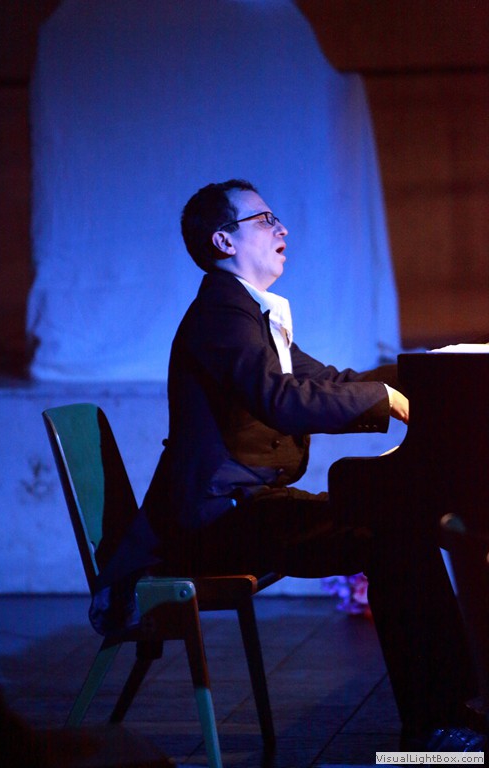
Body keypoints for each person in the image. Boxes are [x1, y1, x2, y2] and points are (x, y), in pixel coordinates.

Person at [140, 179, 483, 751]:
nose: (282, 228)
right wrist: (388, 400)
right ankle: (437, 729)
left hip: (244, 509)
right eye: (264, 219)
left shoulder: (246, 313)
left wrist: (425, 379)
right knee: (391, 536)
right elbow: (282, 399)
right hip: (215, 523)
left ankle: (449, 713)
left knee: (399, 527)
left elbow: (325, 380)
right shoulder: (222, 315)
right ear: (224, 241)